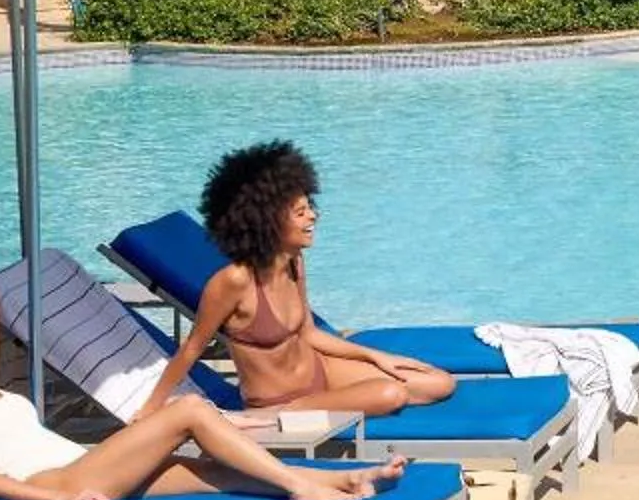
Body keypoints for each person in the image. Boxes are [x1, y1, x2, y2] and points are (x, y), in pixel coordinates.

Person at [0, 279, 401, 500]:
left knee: (215, 474)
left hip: (90, 465)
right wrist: (58, 496)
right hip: (62, 481)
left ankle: (345, 479)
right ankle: (301, 488)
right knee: (189, 409)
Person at [144, 142, 456, 420]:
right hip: (279, 400)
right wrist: (150, 409)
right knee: (391, 394)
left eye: (310, 207)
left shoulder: (294, 262)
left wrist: (377, 356)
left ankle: (325, 399)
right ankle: (278, 414)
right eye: (300, 212)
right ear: (268, 221)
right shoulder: (234, 281)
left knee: (439, 383)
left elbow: (308, 333)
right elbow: (192, 349)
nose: (313, 217)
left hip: (321, 371)